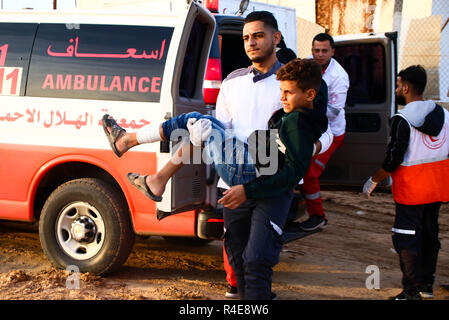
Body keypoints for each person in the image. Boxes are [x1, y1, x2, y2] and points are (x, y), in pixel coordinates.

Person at [363, 65, 449, 300]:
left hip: (411, 192)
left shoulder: (402, 120)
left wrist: (373, 180)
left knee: (406, 239)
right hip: (438, 188)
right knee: (430, 236)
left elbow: (393, 158)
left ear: (407, 87)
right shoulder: (443, 114)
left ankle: (411, 292)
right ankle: (426, 286)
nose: (398, 88)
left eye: (399, 84)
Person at [298, 32, 349, 231]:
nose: (320, 54)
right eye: (316, 50)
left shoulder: (339, 77)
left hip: (331, 132)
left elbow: (334, 113)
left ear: (332, 52)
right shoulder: (306, 64)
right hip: (308, 127)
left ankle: (318, 216)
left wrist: (303, 106)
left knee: (309, 174)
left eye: (324, 51)